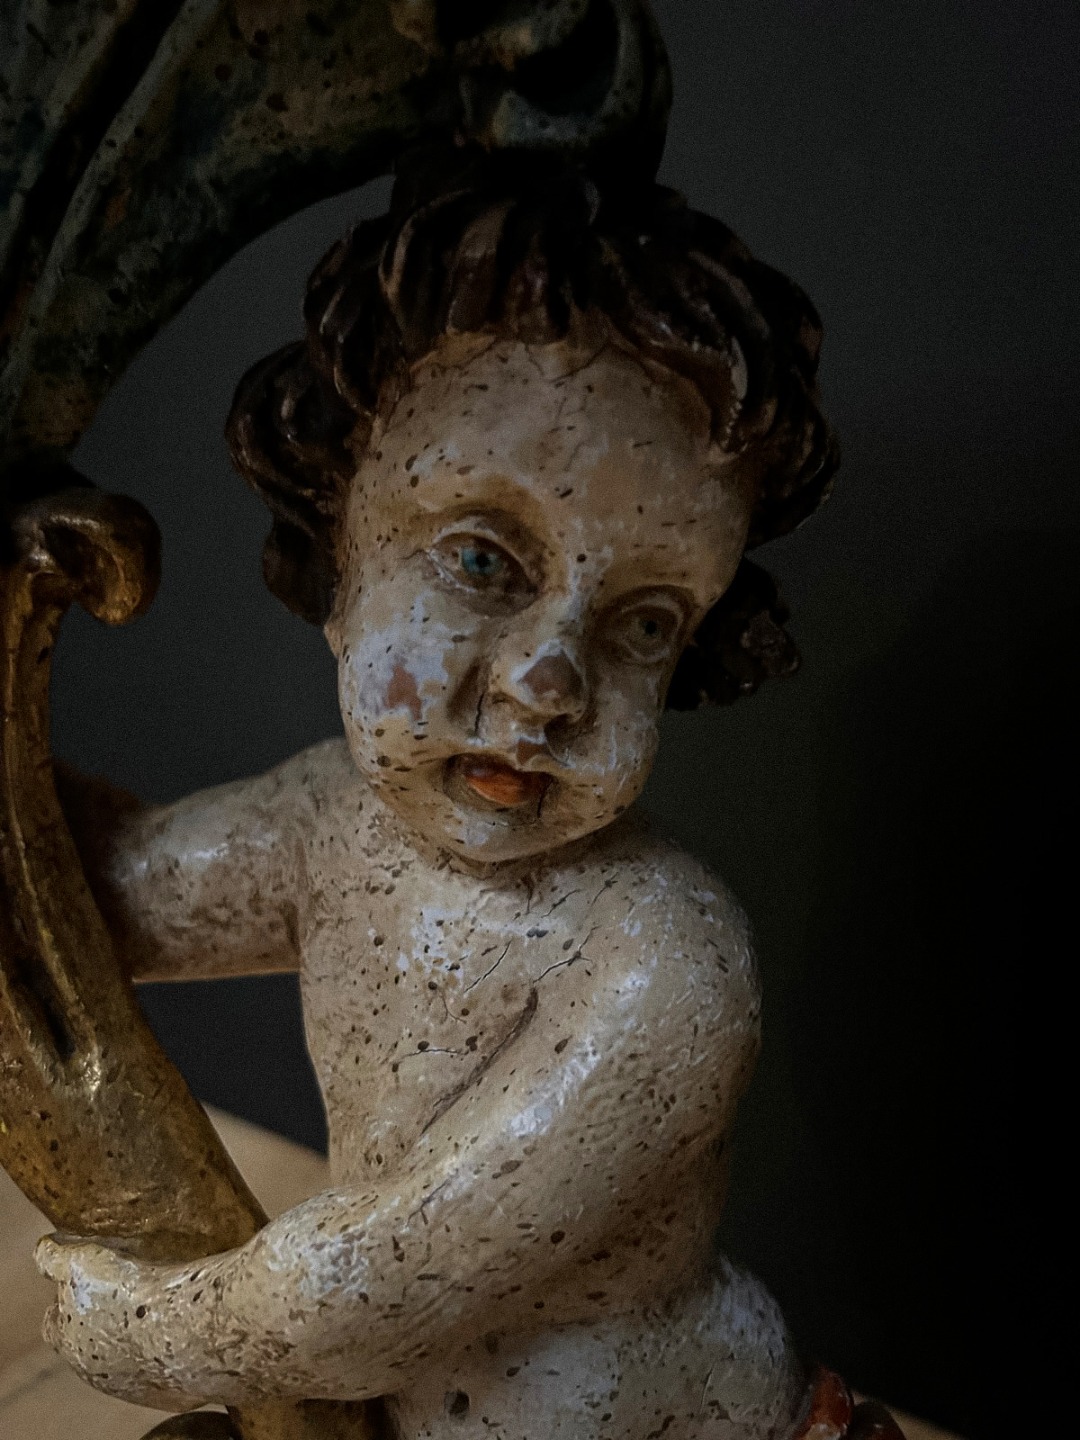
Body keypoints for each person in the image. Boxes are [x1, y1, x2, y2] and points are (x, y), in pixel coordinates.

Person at [37, 149, 850, 1440]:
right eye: (482, 560)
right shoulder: (329, 824)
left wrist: (151, 1329)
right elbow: (105, 895)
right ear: (338, 551)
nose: (548, 682)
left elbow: (382, 1282)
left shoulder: (666, 964)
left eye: (644, 623)